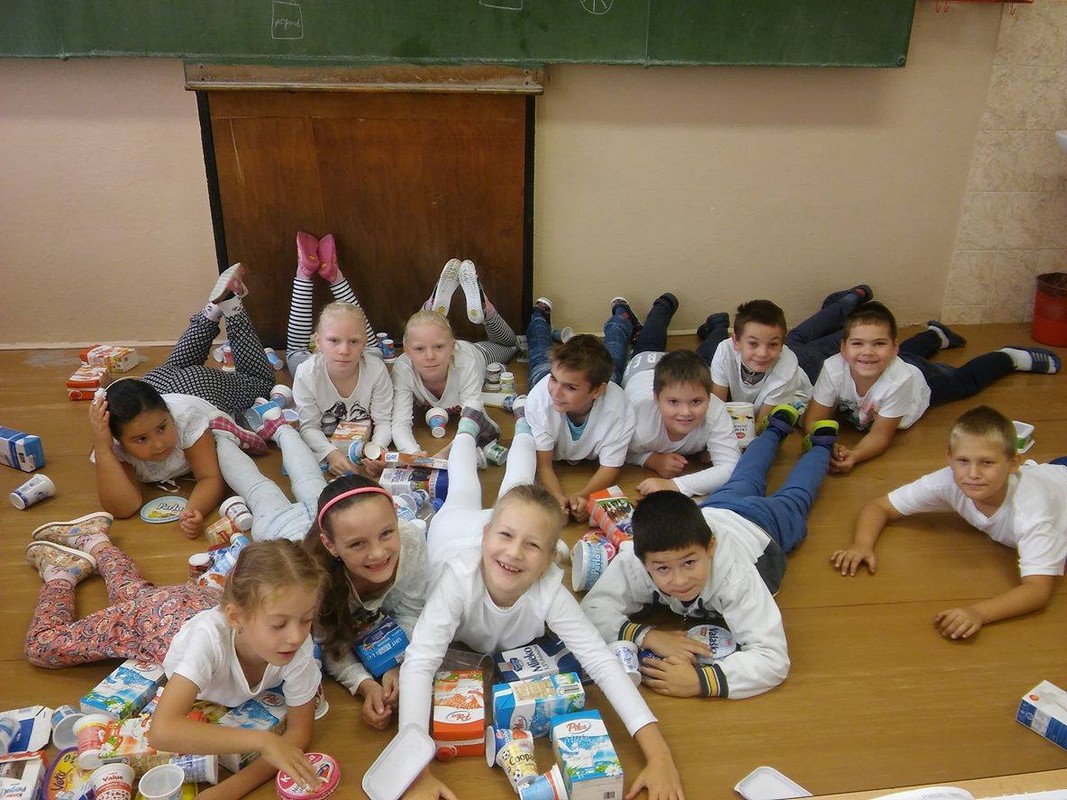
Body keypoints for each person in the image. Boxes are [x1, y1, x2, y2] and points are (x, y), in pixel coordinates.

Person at [395, 407, 684, 800]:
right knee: (462, 489)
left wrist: (660, 754)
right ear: (487, 535)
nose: (514, 553)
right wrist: (415, 772)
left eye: (532, 546)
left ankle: (525, 426)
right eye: (506, 538)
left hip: (501, 534)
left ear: (549, 559)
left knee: (519, 487)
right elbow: (419, 663)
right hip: (454, 533)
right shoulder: (457, 581)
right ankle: (467, 428)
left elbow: (600, 661)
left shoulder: (548, 588)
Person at [580, 407, 840, 700]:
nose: (680, 580)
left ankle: (820, 445)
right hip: (715, 509)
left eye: (690, 563)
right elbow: (590, 611)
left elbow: (772, 658)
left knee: (795, 497)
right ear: (643, 563)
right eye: (663, 568)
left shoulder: (735, 574)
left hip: (762, 525)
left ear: (711, 548)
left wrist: (701, 681)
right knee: (745, 475)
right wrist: (647, 635)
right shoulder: (637, 558)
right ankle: (774, 429)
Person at [830, 405, 1067, 640]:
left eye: (986, 463)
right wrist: (861, 544)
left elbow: (1037, 590)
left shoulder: (1033, 514)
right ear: (949, 460)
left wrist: (978, 613)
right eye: (963, 460)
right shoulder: (949, 481)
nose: (973, 473)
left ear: (1013, 463)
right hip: (1054, 475)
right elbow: (880, 506)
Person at [148, 540, 327, 800]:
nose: (296, 637)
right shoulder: (208, 639)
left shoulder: (297, 645)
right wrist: (263, 741)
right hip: (160, 621)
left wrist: (227, 791)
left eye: (307, 619)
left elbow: (299, 733)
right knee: (108, 612)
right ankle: (98, 544)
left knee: (202, 594)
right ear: (236, 618)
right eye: (279, 624)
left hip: (214, 606)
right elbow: (162, 731)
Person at [803, 301, 1061, 474]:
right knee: (901, 356)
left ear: (893, 348)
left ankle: (1007, 357)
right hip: (898, 362)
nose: (867, 351)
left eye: (879, 343)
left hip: (923, 381)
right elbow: (814, 417)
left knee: (963, 381)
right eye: (857, 343)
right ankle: (936, 335)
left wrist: (855, 455)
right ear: (843, 349)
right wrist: (825, 443)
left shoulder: (900, 379)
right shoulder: (833, 368)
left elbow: (881, 434)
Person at [303, 474, 428, 730]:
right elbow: (331, 646)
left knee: (309, 480)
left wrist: (395, 664)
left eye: (386, 533)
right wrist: (365, 685)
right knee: (264, 492)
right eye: (357, 544)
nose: (378, 553)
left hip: (323, 522)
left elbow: (412, 611)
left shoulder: (411, 541)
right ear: (330, 545)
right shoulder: (315, 583)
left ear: (397, 518)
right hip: (283, 527)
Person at [24, 511, 220, 668]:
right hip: (163, 623)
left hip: (193, 602)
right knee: (40, 645)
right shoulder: (203, 656)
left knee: (130, 591)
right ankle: (61, 574)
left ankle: (94, 540)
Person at [602, 293, 741, 498]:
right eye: (674, 402)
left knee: (704, 359)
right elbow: (620, 452)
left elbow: (731, 467)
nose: (685, 412)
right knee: (650, 338)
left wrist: (675, 485)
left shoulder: (716, 410)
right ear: (656, 399)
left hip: (677, 379)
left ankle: (719, 325)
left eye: (696, 401)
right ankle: (664, 305)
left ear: (709, 397)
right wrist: (650, 460)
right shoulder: (639, 422)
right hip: (644, 367)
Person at [89, 378, 254, 537]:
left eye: (162, 428)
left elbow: (210, 477)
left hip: (201, 391)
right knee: (172, 369)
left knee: (256, 383)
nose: (158, 445)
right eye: (141, 439)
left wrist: (193, 510)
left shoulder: (186, 419)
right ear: (118, 440)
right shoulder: (113, 445)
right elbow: (123, 508)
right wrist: (103, 449)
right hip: (161, 388)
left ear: (170, 415)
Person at [524, 298, 636, 522]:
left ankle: (621, 319)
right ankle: (539, 317)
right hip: (543, 378)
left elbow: (611, 467)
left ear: (598, 391)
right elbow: (543, 465)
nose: (557, 392)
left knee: (615, 359)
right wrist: (557, 498)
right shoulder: (542, 398)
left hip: (603, 388)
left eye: (570, 387)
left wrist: (583, 497)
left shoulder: (619, 409)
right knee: (539, 354)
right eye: (555, 380)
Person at [391, 260, 517, 453]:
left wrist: (450, 452)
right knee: (420, 333)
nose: (430, 356)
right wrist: (413, 453)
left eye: (439, 347)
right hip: (438, 347)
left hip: (478, 354)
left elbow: (473, 416)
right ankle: (430, 310)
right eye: (419, 349)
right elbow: (400, 422)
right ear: (406, 352)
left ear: (452, 346)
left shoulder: (466, 361)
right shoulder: (403, 368)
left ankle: (486, 310)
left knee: (511, 344)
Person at [702, 289, 872, 429]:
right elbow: (716, 408)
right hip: (783, 353)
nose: (762, 353)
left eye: (773, 344)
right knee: (798, 335)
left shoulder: (786, 365)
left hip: (807, 365)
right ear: (736, 341)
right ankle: (851, 299)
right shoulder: (725, 350)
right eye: (753, 343)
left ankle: (857, 307)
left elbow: (761, 424)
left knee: (851, 338)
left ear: (781, 344)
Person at [140, 263, 278, 420]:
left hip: (189, 392)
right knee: (174, 368)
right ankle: (212, 311)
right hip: (149, 385)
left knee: (260, 382)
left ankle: (231, 305)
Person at [293, 301, 393, 477]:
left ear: (364, 343)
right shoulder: (306, 374)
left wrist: (376, 451)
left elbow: (384, 421)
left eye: (353, 341)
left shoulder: (376, 370)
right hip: (327, 444)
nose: (344, 350)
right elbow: (308, 426)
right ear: (318, 341)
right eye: (334, 340)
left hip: (363, 448)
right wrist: (331, 454)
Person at [285, 231, 379, 374]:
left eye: (352, 342)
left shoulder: (308, 372)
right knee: (372, 352)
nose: (344, 351)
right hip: (354, 366)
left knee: (296, 352)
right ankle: (332, 277)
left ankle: (305, 272)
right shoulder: (371, 369)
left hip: (318, 370)